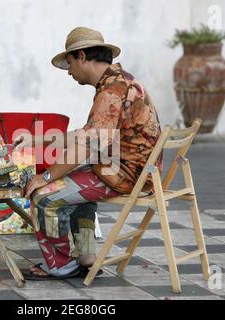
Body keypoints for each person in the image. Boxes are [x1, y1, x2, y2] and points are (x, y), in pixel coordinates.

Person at [15, 27, 162, 280]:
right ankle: (86, 258)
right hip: (131, 169)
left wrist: (46, 177)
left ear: (82, 56)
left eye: (70, 63)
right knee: (75, 190)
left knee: (43, 196)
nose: (69, 71)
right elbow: (86, 135)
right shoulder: (118, 81)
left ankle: (61, 265)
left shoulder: (110, 91)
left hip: (126, 175)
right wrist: (37, 139)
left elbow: (87, 146)